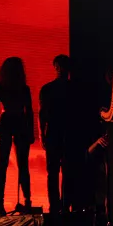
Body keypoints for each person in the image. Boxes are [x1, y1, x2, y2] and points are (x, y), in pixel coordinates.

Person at [0, 57, 35, 215]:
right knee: (22, 165)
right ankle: (27, 201)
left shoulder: (1, 87)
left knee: (3, 164)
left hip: (7, 122)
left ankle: (0, 202)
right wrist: (31, 131)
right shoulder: (24, 88)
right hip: (19, 122)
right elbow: (29, 111)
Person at [38, 54, 72, 213]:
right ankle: (62, 205)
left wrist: (42, 134)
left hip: (57, 132)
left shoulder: (47, 89)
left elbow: (42, 114)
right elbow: (42, 114)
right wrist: (42, 134)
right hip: (63, 132)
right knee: (61, 170)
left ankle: (57, 205)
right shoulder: (72, 88)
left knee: (55, 172)